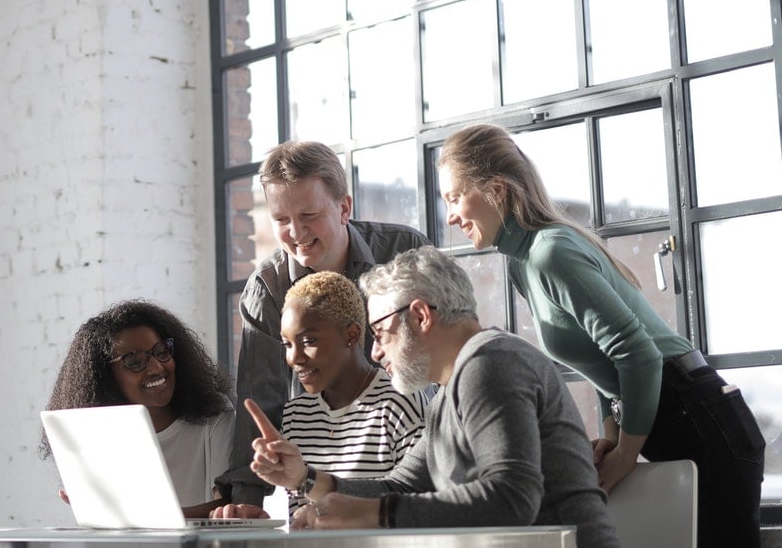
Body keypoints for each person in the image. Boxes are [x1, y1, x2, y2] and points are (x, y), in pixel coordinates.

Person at [438, 123, 765, 547]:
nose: (450, 216)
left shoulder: (548, 254)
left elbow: (639, 356)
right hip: (683, 417)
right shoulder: (523, 261)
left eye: (453, 197)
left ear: (497, 190)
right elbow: (599, 356)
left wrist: (625, 455)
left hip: (701, 417)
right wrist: (611, 436)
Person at [232, 246, 620, 546]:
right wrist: (306, 478)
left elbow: (511, 499)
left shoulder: (491, 365)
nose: (375, 351)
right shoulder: (450, 393)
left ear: (420, 316)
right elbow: (399, 486)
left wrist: (375, 514)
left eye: (381, 332)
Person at [218, 140, 431, 506]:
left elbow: (442, 355)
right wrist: (247, 500)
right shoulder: (268, 287)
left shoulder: (403, 253)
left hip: (409, 449)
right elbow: (260, 396)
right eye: (282, 220)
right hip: (319, 461)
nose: (297, 232)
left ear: (344, 207)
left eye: (309, 215)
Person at [214, 271, 427, 519]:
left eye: (308, 340)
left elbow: (417, 506)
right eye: (287, 345)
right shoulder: (296, 413)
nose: (294, 358)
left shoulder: (399, 401)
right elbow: (305, 519)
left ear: (351, 335)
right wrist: (265, 527)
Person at [40, 299, 234, 518]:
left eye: (161, 352)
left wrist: (136, 517)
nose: (156, 368)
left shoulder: (213, 413)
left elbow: (228, 506)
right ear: (106, 378)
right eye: (135, 362)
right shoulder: (97, 433)